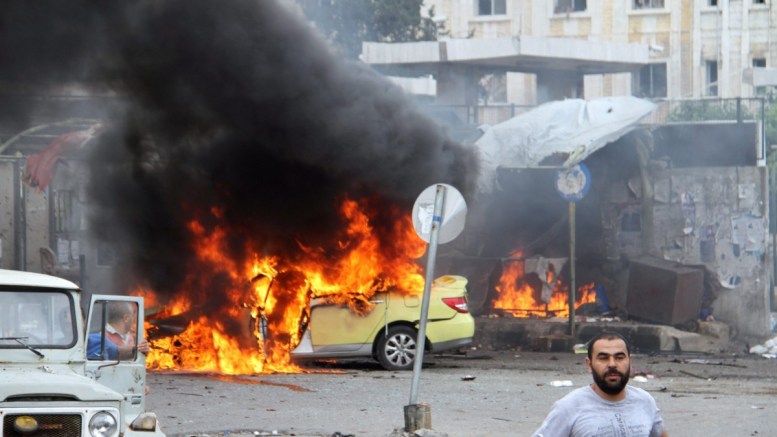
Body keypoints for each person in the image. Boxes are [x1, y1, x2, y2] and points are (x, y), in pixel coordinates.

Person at [532, 331, 669, 437]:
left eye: (619, 357)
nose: (612, 364)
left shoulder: (645, 402)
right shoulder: (569, 407)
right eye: (603, 358)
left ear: (630, 361)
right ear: (589, 364)